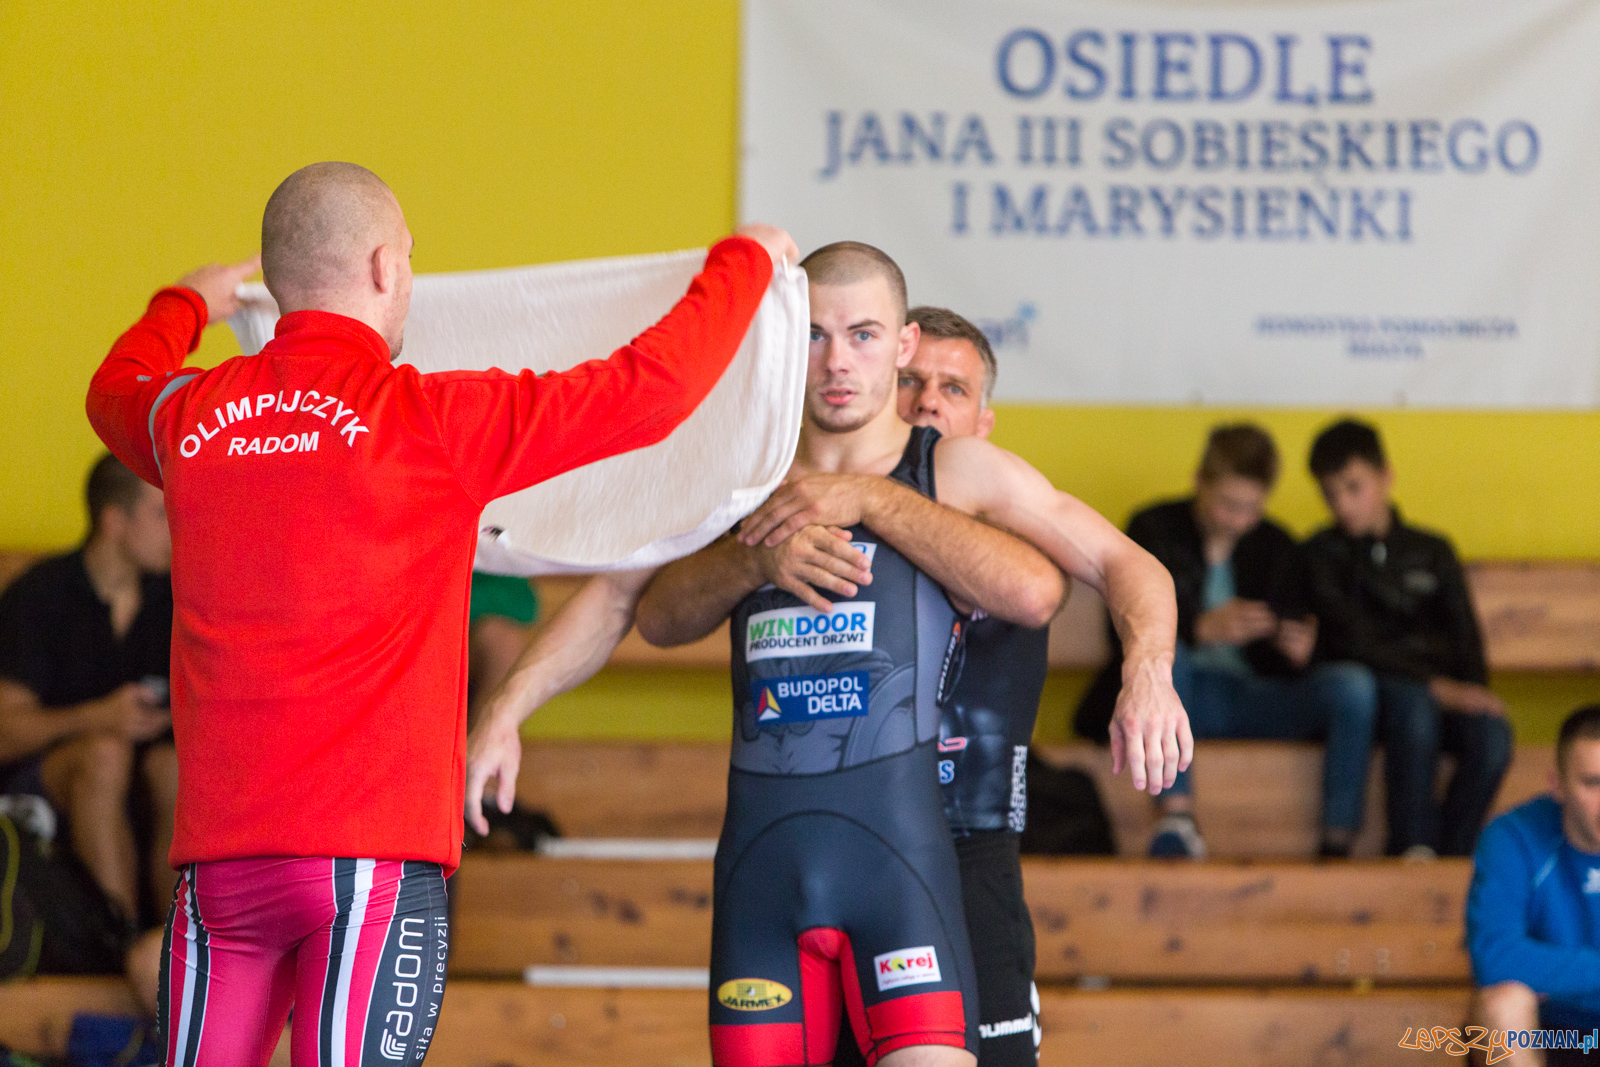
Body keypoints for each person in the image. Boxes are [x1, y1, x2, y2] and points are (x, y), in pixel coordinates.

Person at [86, 159, 794, 1067]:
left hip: (217, 866)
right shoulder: (428, 417)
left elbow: (116, 384)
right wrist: (745, 262)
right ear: (386, 266)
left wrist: (183, 302)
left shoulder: (191, 417)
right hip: (368, 867)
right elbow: (648, 390)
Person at [466, 297, 1186, 1067]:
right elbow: (642, 604)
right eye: (914, 381)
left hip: (960, 852)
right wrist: (759, 552)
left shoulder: (988, 500)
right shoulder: (786, 490)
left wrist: (1148, 669)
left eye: (954, 389)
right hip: (808, 834)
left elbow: (1045, 587)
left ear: (985, 418)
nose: (930, 402)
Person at [1077, 424, 1379, 859]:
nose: (1239, 519)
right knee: (1166, 656)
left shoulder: (1275, 544)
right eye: (1228, 504)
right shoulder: (1153, 528)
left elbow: (1310, 634)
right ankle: (1177, 819)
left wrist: (1302, 651)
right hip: (1178, 697)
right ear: (1200, 481)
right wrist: (1200, 628)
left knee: (1351, 686)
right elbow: (1122, 631)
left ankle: (1338, 842)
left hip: (1253, 695)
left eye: (1251, 508)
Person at [1304, 418, 1512, 858]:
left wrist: (1471, 691)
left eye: (1353, 487)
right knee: (1414, 707)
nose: (1342, 505)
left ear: (1386, 476)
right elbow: (1352, 641)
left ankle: (1452, 858)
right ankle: (1412, 849)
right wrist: (1437, 686)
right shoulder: (1322, 552)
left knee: (1492, 734)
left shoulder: (1432, 550)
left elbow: (1465, 638)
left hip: (1443, 694)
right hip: (1380, 701)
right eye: (1330, 494)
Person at [0, 453, 177, 928]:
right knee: (105, 754)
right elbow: (5, 731)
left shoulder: (177, 599)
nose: (176, 528)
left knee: (172, 766)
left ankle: (179, 947)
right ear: (114, 520)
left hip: (151, 775)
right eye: (161, 514)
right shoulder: (40, 595)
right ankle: (113, 945)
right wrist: (97, 717)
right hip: (49, 781)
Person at [1467, 704, 1600, 1066]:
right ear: (1557, 784)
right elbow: (1494, 959)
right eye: (1593, 783)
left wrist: (1550, 971)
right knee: (1503, 1005)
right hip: (1549, 1030)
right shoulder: (1512, 838)